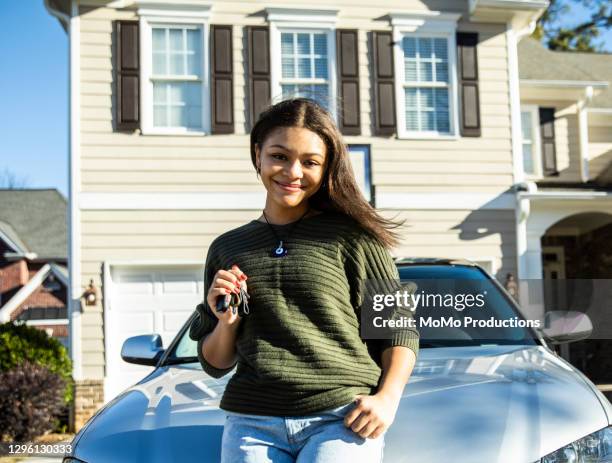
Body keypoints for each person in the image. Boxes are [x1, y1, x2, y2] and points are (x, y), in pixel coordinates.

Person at [188, 98, 419, 463]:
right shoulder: (227, 247)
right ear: (257, 154)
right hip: (252, 423)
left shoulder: (355, 239)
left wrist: (387, 399)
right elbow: (216, 362)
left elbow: (397, 329)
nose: (293, 172)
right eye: (279, 156)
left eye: (310, 162)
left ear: (326, 168)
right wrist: (226, 322)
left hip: (341, 418)